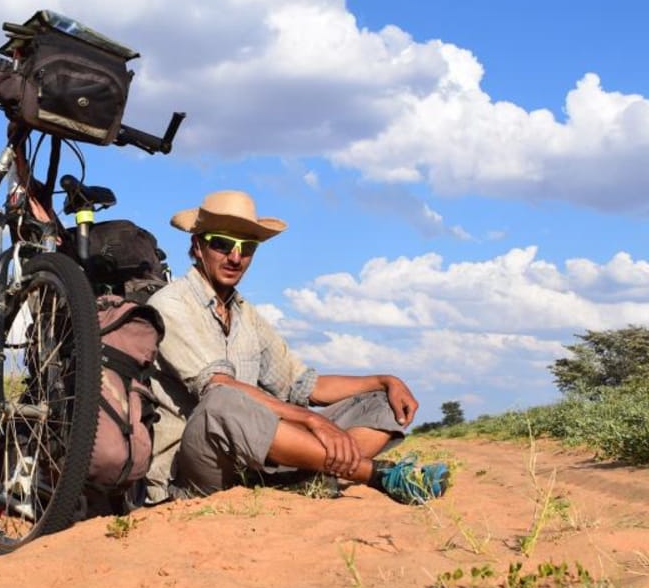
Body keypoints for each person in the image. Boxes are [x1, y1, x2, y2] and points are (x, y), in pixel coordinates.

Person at [144, 190, 449, 505]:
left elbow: (303, 385)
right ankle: (379, 475)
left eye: (246, 248)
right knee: (222, 400)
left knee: (381, 401)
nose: (235, 257)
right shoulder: (170, 304)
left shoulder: (244, 313)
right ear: (197, 246)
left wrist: (386, 381)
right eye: (222, 244)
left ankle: (308, 478)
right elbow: (218, 388)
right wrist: (311, 420)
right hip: (193, 470)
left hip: (251, 463)